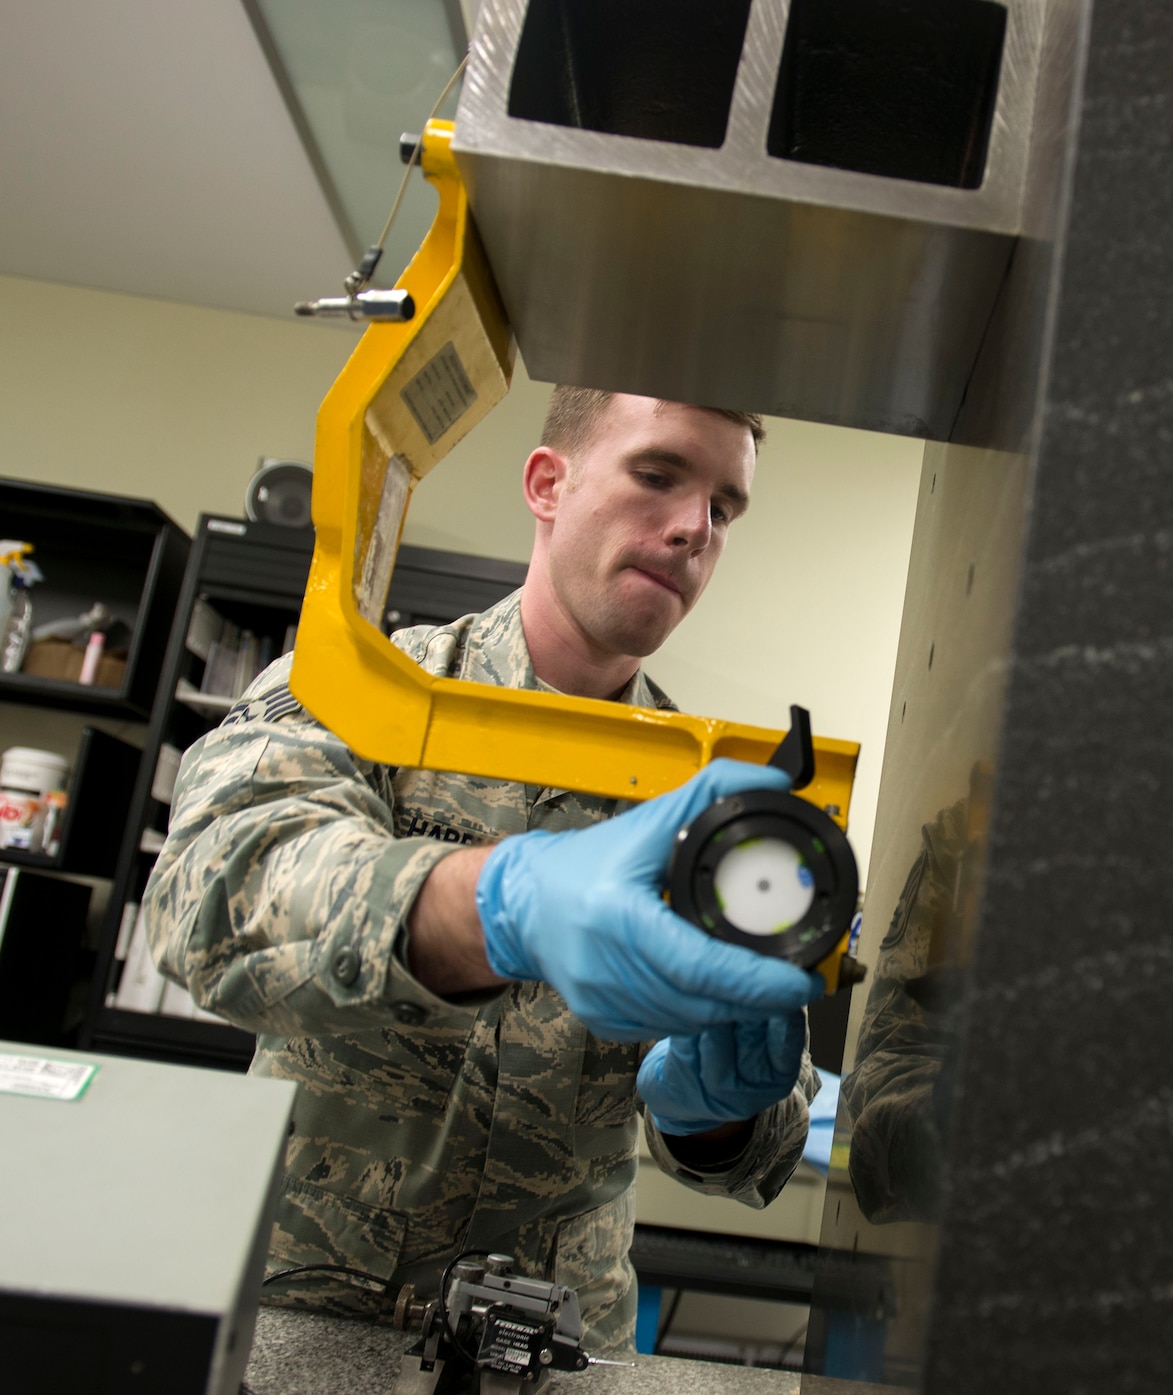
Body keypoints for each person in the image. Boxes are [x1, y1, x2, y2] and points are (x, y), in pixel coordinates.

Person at [143, 388, 823, 1353]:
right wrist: (491, 907)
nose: (691, 530)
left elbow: (757, 1139)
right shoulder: (365, 693)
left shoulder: (714, 806)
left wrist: (716, 1116)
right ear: (548, 483)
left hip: (556, 1345)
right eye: (659, 475)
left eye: (725, 507)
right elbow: (214, 885)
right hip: (305, 1317)